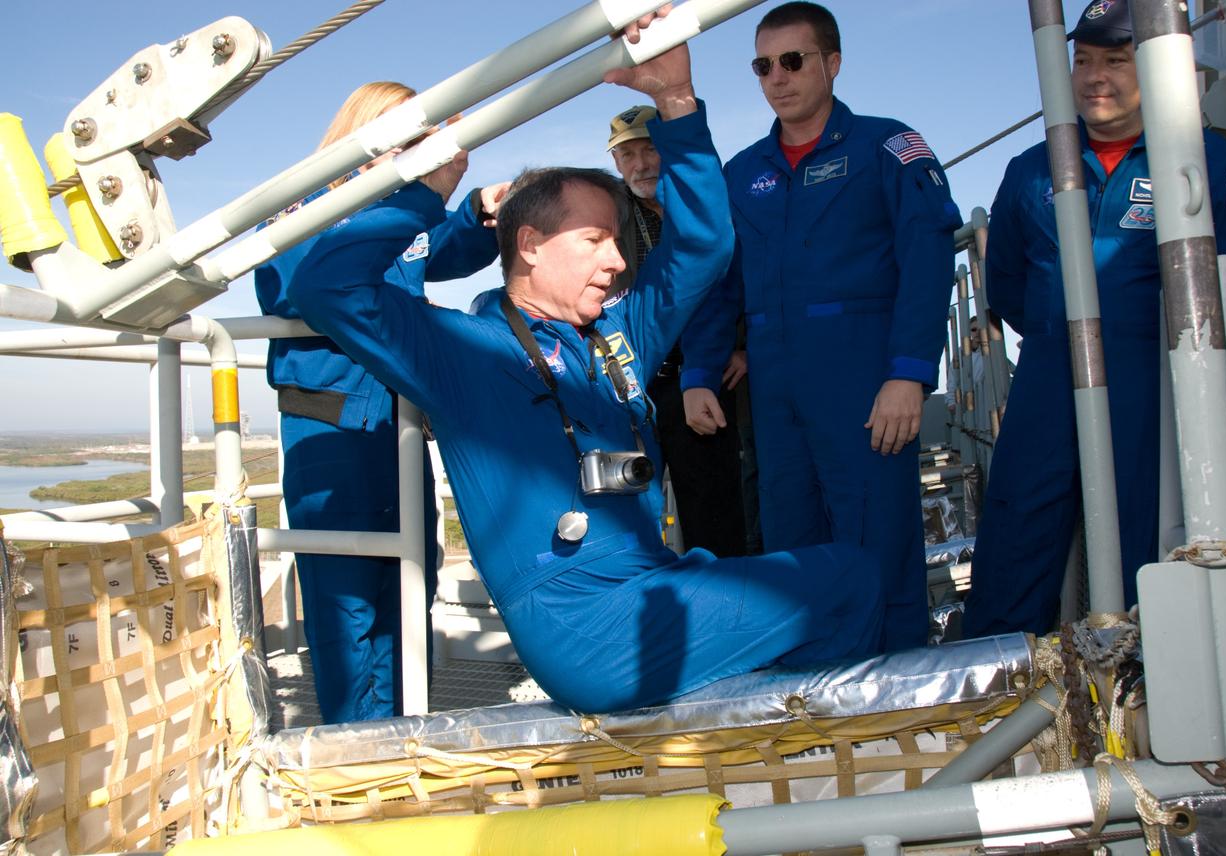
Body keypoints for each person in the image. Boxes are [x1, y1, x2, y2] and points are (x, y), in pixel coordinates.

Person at [286, 25, 887, 714]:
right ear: (531, 246)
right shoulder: (461, 350)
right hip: (586, 626)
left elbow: (705, 247)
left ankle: (772, 752)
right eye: (596, 240)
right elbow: (327, 287)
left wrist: (678, 102)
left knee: (841, 570)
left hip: (656, 582)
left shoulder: (616, 335)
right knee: (849, 581)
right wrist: (424, 192)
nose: (617, 261)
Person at [963, 0, 1226, 637]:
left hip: (1161, 378)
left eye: (1116, 59)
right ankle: (997, 697)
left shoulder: (1211, 162)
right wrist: (1057, 336)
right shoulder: (1030, 171)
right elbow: (1008, 286)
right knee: (1017, 531)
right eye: (1084, 60)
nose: (1096, 75)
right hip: (1050, 371)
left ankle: (1152, 700)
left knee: (1154, 538)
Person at [680, 2, 962, 652]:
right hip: (777, 401)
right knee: (791, 552)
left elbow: (927, 261)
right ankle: (808, 701)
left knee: (876, 544)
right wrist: (700, 372)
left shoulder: (888, 149)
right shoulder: (743, 172)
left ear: (831, 64)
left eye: (793, 60)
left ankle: (898, 706)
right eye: (762, 65)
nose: (777, 76)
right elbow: (719, 282)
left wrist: (909, 374)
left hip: (864, 389)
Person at [254, 82, 506, 723]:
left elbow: (436, 249)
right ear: (371, 131)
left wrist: (475, 208)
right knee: (346, 602)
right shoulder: (302, 206)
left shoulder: (398, 212)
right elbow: (303, 289)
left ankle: (396, 733)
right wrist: (424, 198)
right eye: (418, 135)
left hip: (396, 426)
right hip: (330, 429)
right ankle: (352, 744)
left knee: (406, 586)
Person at [606, 104, 748, 557]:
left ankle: (726, 613)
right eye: (627, 155)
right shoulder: (604, 215)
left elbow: (746, 277)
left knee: (716, 516)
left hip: (703, 378)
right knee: (629, 517)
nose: (640, 164)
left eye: (649, 149)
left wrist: (744, 347)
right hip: (633, 385)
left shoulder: (709, 203)